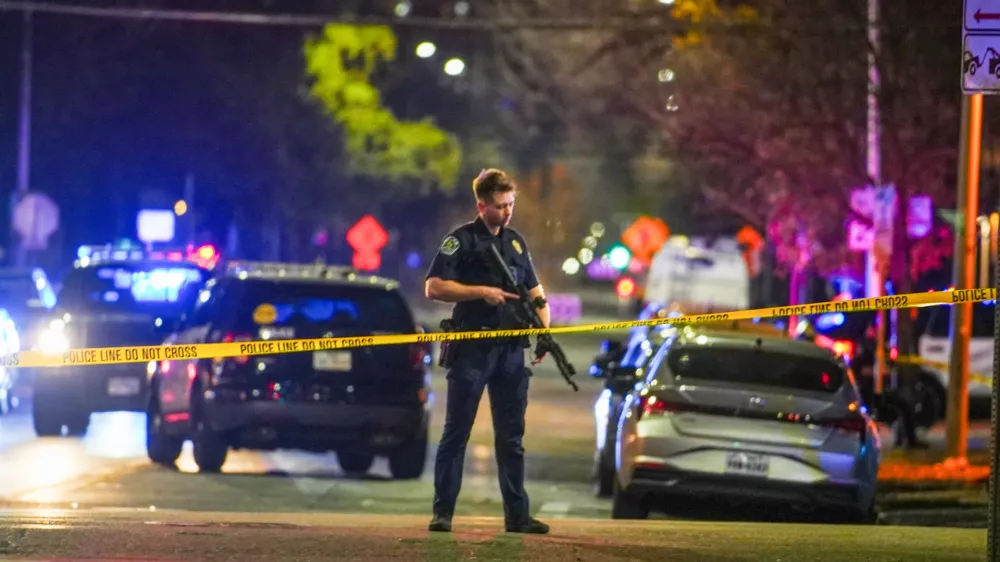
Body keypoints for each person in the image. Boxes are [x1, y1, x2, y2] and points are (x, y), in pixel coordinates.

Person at [423, 168, 551, 535]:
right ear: (482, 205)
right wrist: (480, 291)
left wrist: (544, 330)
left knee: (511, 438)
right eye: (500, 205)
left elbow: (535, 291)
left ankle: (518, 516)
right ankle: (443, 512)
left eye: (511, 204)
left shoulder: (515, 242)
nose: (508, 212)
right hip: (473, 347)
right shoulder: (460, 241)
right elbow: (433, 287)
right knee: (456, 432)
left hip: (511, 349)